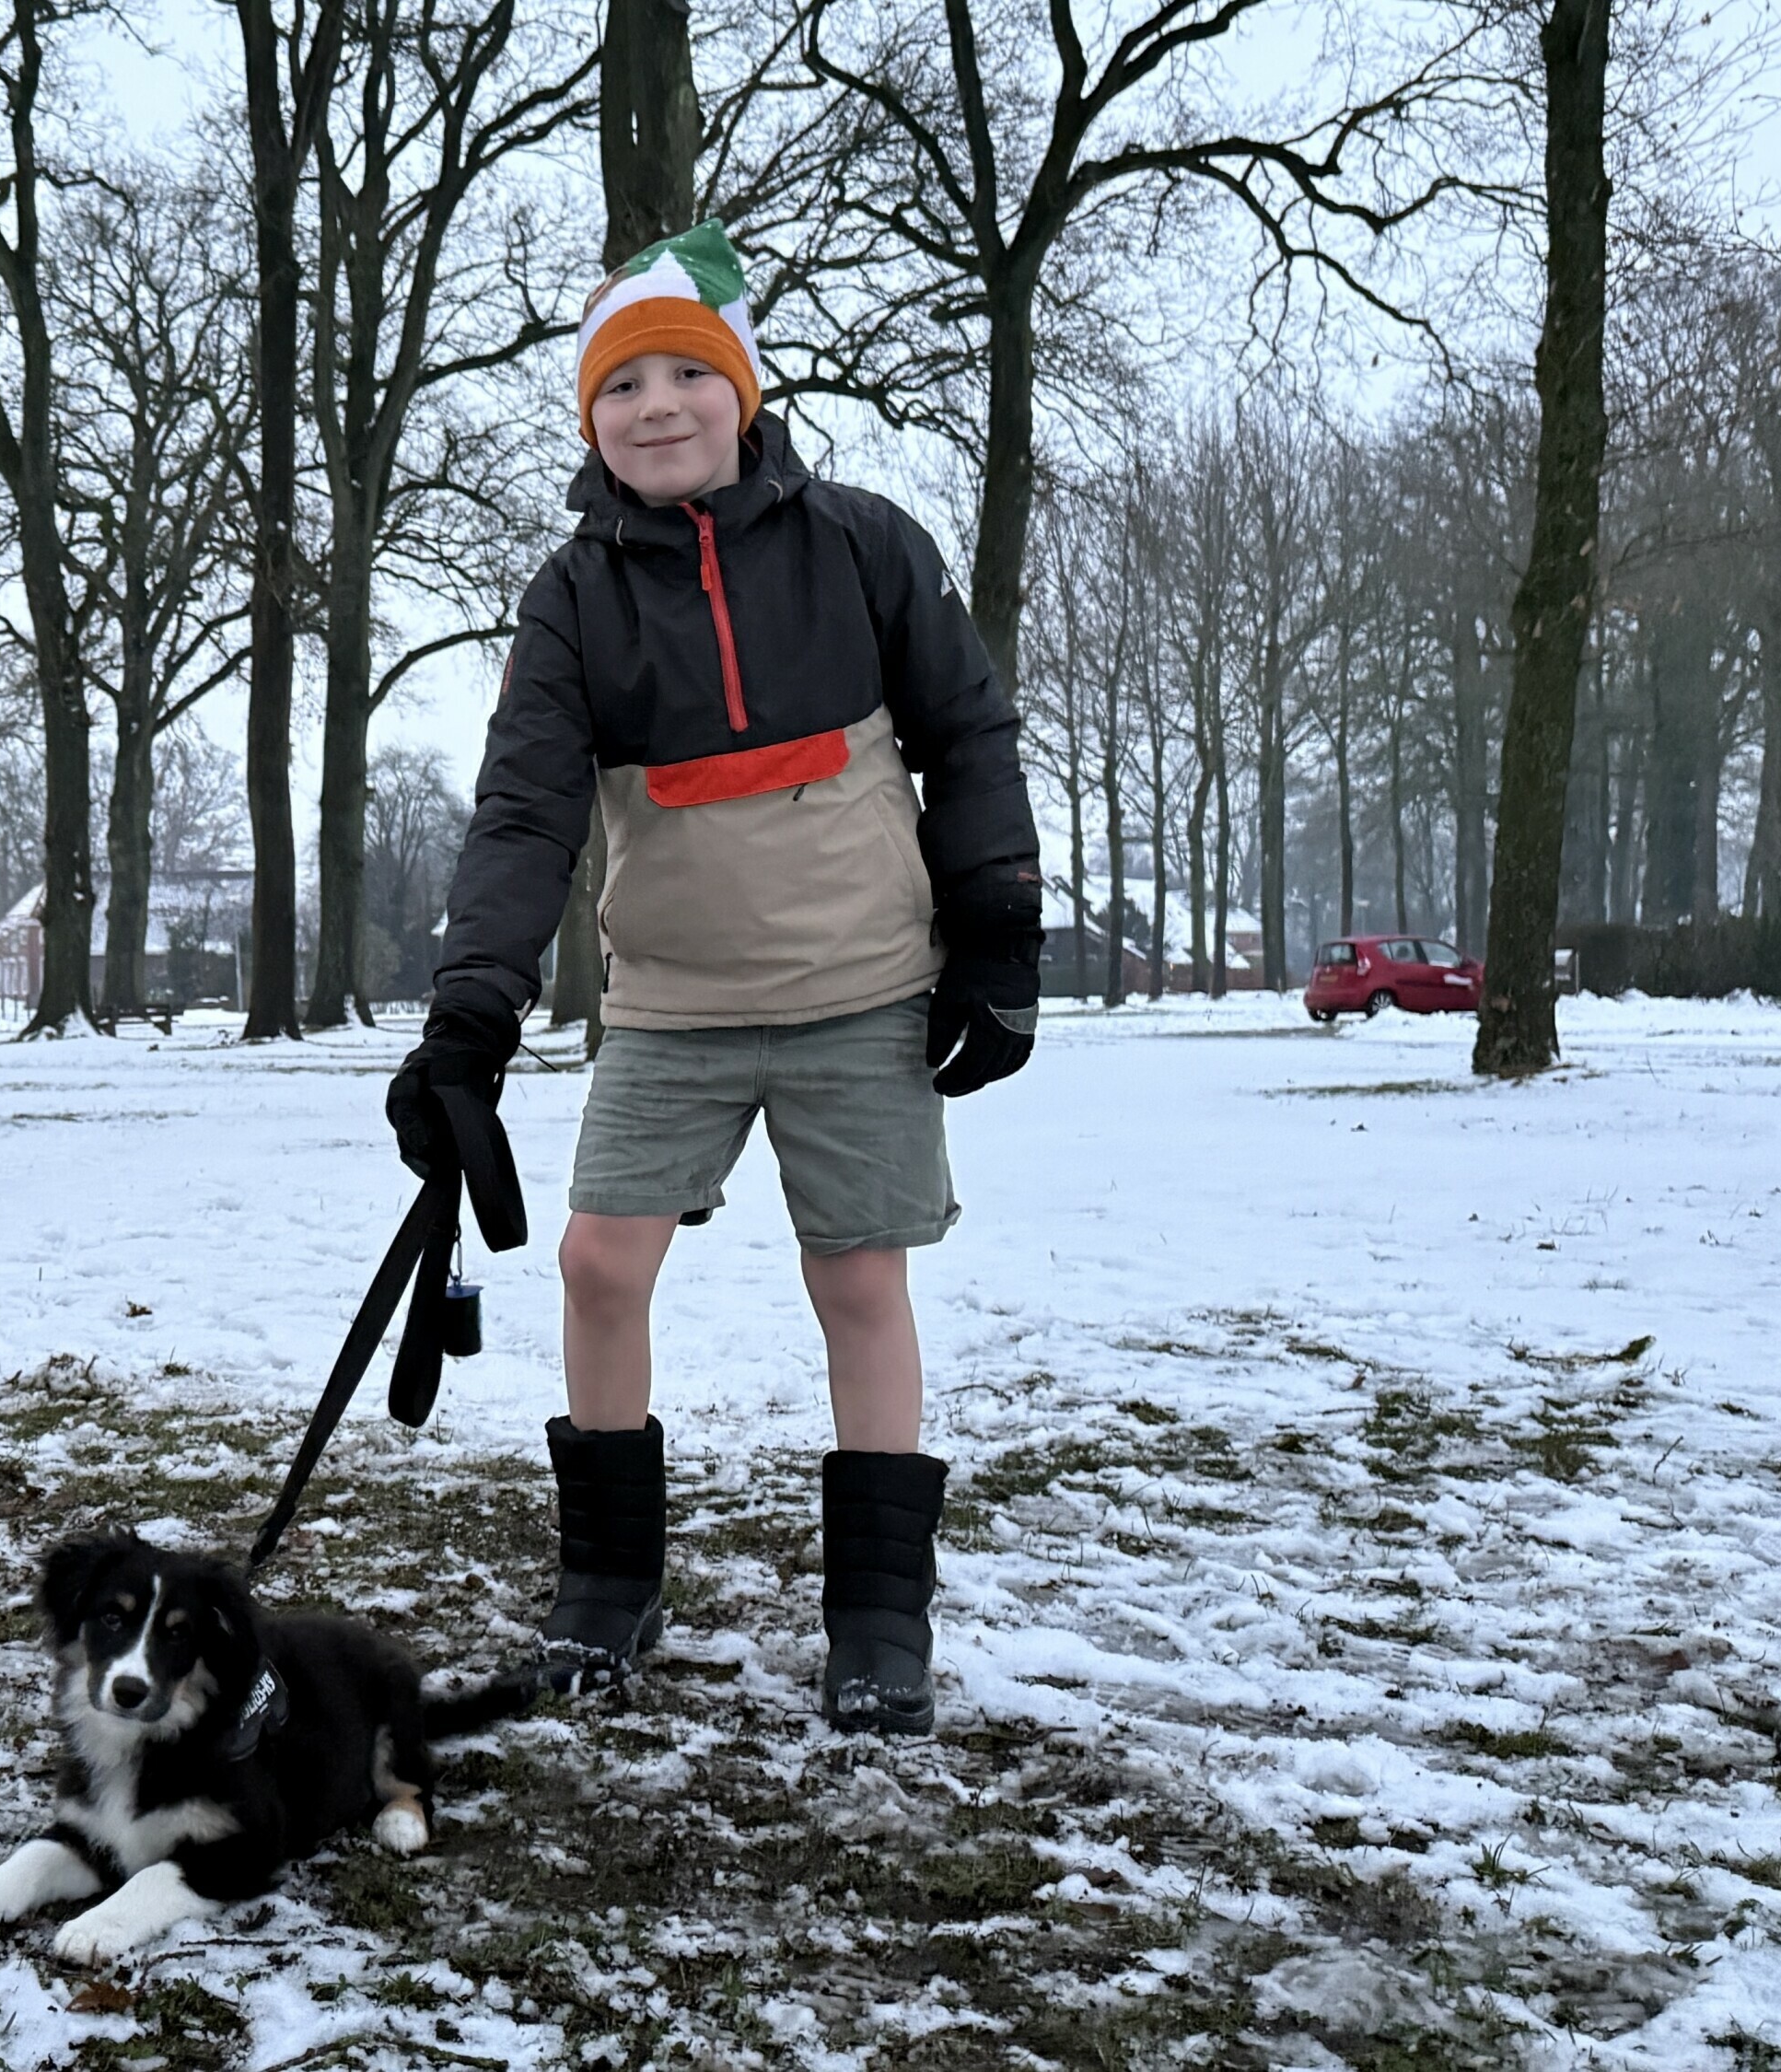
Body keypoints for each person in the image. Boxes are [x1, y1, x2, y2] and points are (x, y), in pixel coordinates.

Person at [386, 222, 1042, 1736]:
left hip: (864, 987)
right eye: (625, 386)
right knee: (597, 1265)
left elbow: (970, 735)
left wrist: (998, 936)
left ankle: (880, 1617)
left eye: (690, 373)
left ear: (743, 393)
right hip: (670, 1006)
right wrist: (467, 1016)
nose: (659, 406)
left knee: (855, 1281)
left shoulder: (866, 544)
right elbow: (526, 815)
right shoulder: (573, 600)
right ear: (590, 418)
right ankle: (610, 1586)